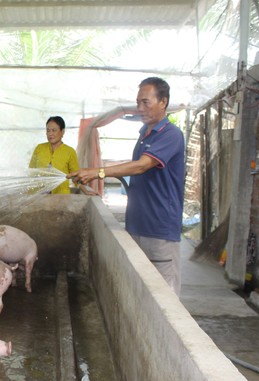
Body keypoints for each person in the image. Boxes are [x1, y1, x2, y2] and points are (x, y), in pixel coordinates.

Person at [67, 77, 185, 295]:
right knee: (141, 289)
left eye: (146, 102)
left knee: (163, 295)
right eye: (138, 102)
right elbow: (139, 176)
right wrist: (90, 183)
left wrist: (98, 172)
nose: (140, 108)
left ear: (163, 102)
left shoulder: (171, 135)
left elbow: (141, 167)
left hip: (159, 229)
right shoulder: (144, 134)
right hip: (137, 223)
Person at [29, 116, 80, 194]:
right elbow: (31, 172)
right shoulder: (39, 148)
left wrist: (85, 189)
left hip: (60, 197)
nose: (50, 134)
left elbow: (76, 176)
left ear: (62, 132)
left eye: (54, 130)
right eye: (48, 130)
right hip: (39, 195)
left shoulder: (69, 151)